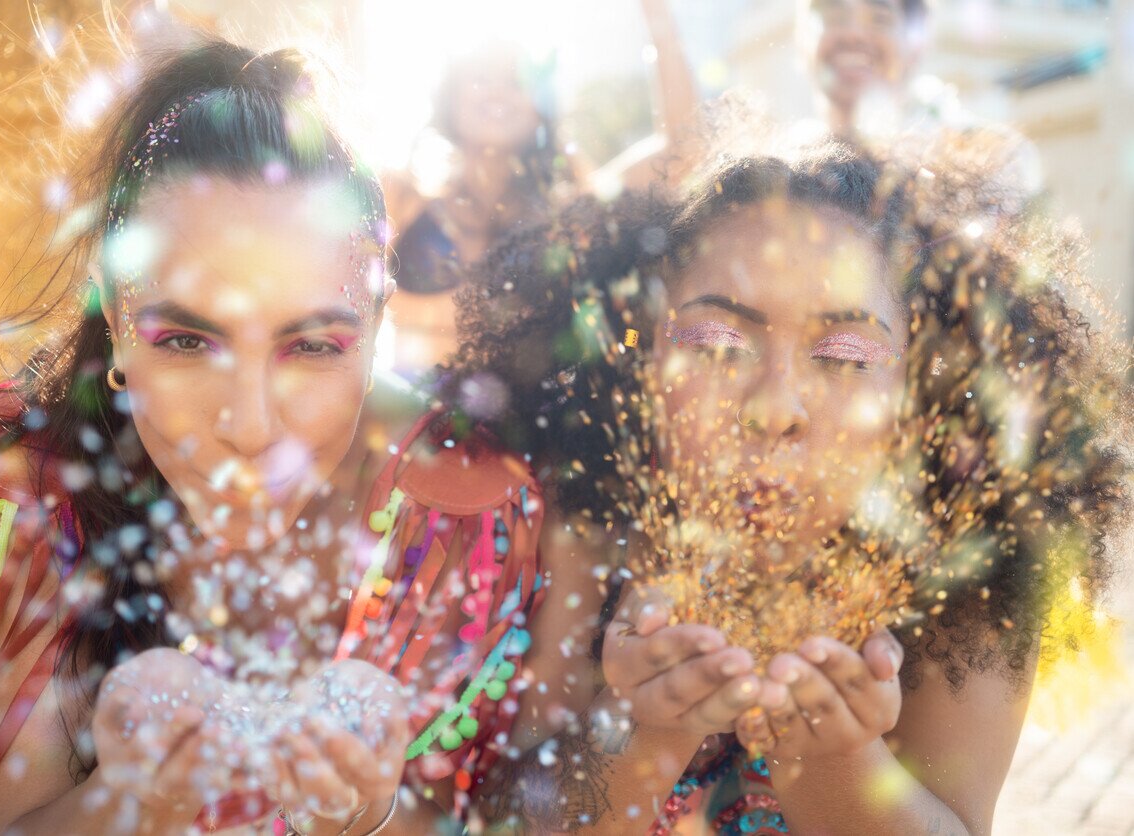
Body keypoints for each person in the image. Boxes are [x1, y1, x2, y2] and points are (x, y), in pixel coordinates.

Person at [0, 37, 544, 835]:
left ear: (375, 326)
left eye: (312, 346)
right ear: (115, 324)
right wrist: (131, 806)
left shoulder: (455, 511)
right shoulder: (43, 503)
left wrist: (369, 816)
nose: (252, 428)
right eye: (186, 341)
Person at [449, 130, 1130, 832]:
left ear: (915, 394)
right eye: (716, 346)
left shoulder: (971, 566)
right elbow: (510, 820)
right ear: (645, 364)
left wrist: (836, 756)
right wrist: (649, 732)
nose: (774, 407)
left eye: (842, 354)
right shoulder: (591, 523)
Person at [383, 0, 701, 374]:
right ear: (451, 98)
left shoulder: (570, 215)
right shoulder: (400, 201)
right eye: (481, 77)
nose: (497, 91)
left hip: (525, 430)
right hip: (405, 427)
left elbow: (685, 148)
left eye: (516, 80)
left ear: (541, 107)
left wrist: (658, 18)